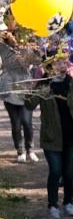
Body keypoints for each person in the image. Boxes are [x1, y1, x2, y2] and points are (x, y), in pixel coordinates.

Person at [27, 51, 73, 219]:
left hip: (70, 135)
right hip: (51, 136)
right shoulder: (44, 86)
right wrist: (31, 91)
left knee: (69, 172)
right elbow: (29, 105)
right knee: (56, 171)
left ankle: (69, 203)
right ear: (49, 66)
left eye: (64, 62)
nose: (62, 66)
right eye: (57, 63)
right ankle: (53, 205)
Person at [0, 18, 38, 162]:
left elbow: (36, 61)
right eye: (14, 33)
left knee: (27, 121)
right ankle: (20, 150)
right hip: (9, 88)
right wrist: (6, 33)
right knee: (15, 123)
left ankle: (30, 148)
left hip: (24, 88)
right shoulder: (3, 47)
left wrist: (27, 49)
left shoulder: (28, 47)